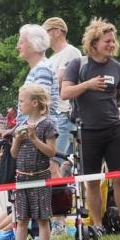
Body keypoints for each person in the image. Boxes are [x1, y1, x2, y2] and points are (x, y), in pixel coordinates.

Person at [61, 19, 120, 237]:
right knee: (91, 181)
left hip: (114, 129)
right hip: (88, 131)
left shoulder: (117, 67)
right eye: (107, 41)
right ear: (94, 43)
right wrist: (88, 85)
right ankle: (97, 225)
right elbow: (65, 93)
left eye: (113, 40)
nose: (112, 44)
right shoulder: (78, 65)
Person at [6, 83, 57, 240]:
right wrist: (18, 141)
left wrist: (35, 139)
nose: (19, 104)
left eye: (21, 100)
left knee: (43, 219)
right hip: (22, 179)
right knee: (21, 220)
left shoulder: (47, 125)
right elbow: (13, 154)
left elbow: (51, 152)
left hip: (40, 178)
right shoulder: (20, 126)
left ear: (34, 102)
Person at [45, 17, 83, 163]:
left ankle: (60, 186)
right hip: (54, 114)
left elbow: (58, 79)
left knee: (55, 161)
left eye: (45, 33)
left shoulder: (71, 52)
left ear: (57, 32)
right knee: (63, 162)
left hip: (64, 113)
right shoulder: (51, 59)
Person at [14, 24, 54, 126]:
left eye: (21, 42)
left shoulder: (42, 70)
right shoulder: (38, 69)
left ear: (33, 45)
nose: (17, 47)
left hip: (37, 135)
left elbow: (41, 108)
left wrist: (26, 131)